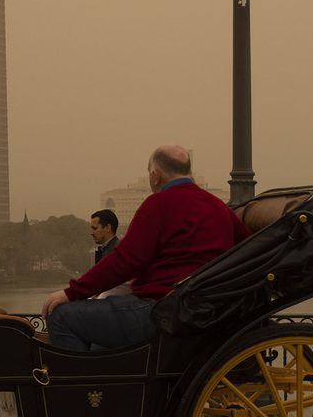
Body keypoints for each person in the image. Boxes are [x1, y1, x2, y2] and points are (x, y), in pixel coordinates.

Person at [42, 145, 249, 352]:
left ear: (155, 176)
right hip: (203, 310)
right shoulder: (219, 207)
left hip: (160, 311)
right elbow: (247, 248)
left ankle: (84, 384)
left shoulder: (158, 204)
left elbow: (126, 261)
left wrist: (73, 292)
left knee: (61, 317)